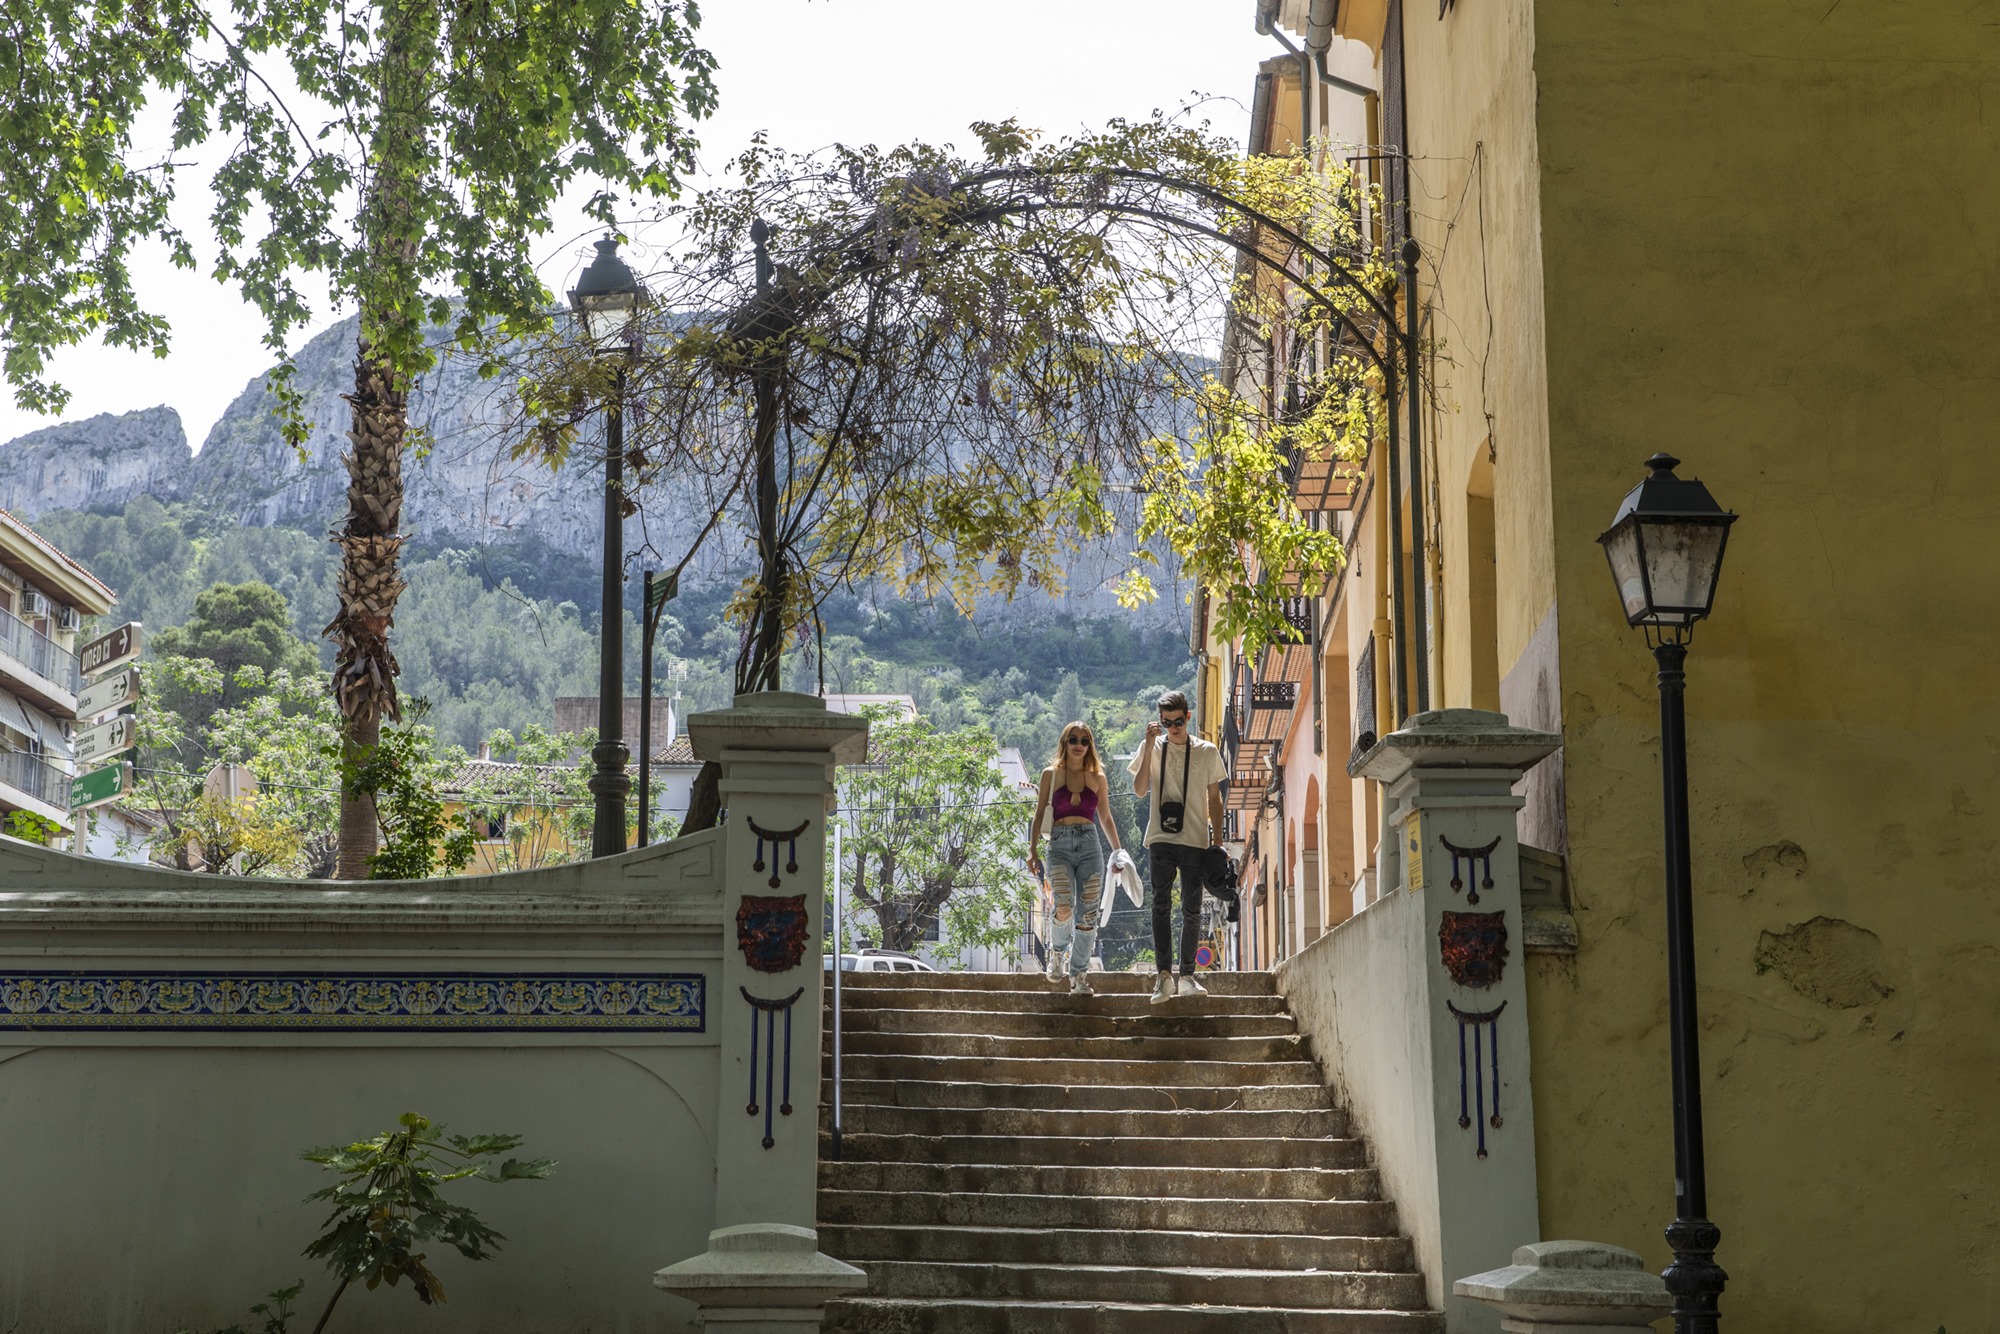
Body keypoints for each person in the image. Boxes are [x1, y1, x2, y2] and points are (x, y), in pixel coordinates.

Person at [1130, 689, 1227, 1004]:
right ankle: (1163, 977)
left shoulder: (1207, 751)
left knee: (1192, 907)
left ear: (1188, 717)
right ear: (1160, 721)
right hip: (1160, 837)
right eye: (1166, 722)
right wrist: (1147, 747)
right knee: (1160, 905)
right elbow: (1141, 789)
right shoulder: (1153, 747)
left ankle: (1187, 976)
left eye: (1177, 721)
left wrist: (1219, 843)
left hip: (1195, 838)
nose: (1172, 727)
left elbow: (1215, 797)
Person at [1026, 720, 1124, 995]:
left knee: (1089, 914)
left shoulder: (1098, 778)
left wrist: (1118, 852)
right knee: (1064, 905)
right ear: (1065, 743)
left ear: (1089, 746)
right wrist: (1032, 850)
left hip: (1090, 844)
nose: (1079, 745)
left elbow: (1105, 817)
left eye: (1084, 741)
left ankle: (1078, 975)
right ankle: (1057, 954)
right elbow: (1037, 815)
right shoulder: (1051, 774)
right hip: (1058, 843)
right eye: (1074, 740)